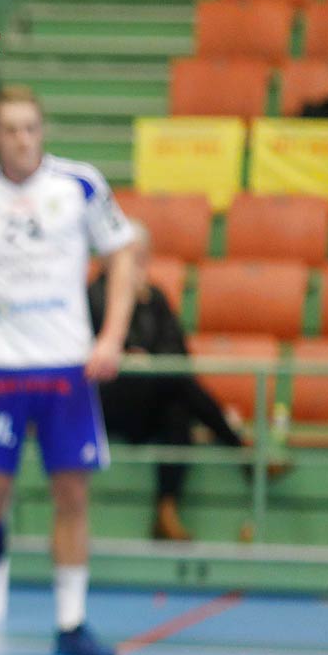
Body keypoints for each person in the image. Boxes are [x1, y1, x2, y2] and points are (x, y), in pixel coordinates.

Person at [0, 84, 138, 655]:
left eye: (31, 127)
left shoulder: (79, 185)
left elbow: (122, 254)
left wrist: (112, 334)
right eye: (11, 128)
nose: (23, 139)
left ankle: (72, 623)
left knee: (72, 493)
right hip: (2, 368)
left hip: (66, 367)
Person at [86, 221, 256, 542]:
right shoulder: (93, 294)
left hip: (152, 396)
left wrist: (145, 340)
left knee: (177, 410)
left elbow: (178, 351)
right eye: (130, 256)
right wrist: (130, 310)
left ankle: (166, 512)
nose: (137, 264)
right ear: (110, 258)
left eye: (142, 257)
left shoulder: (155, 296)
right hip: (109, 401)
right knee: (179, 385)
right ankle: (239, 448)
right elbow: (106, 347)